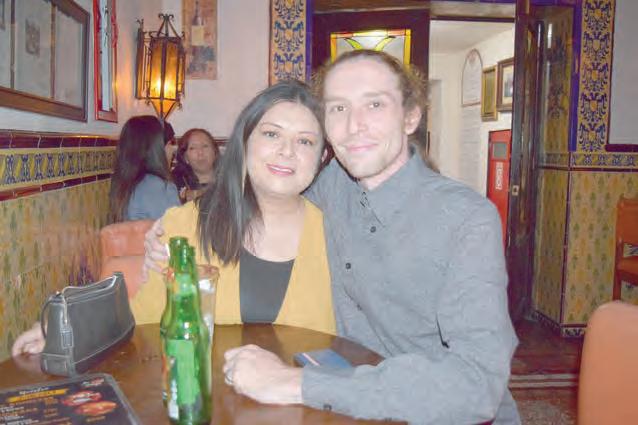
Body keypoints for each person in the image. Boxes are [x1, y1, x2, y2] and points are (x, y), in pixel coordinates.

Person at [145, 51, 519, 423]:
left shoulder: (466, 218)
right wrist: (164, 231)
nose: (355, 125)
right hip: (345, 406)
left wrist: (297, 384)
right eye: (339, 108)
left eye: (374, 104)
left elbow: (477, 386)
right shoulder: (332, 185)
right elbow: (270, 189)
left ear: (411, 116)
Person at [131, 80, 335, 334]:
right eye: (272, 134)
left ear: (322, 157)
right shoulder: (182, 227)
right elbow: (146, 330)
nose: (287, 151)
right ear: (245, 141)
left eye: (305, 141)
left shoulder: (338, 238)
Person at [109, 115, 180, 222]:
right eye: (170, 143)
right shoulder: (159, 186)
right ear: (157, 148)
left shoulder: (121, 183)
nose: (173, 150)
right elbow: (176, 229)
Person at [171, 128, 220, 202]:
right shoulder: (174, 184)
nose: (200, 152)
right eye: (193, 148)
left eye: (205, 146)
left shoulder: (231, 177)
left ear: (215, 152)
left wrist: (198, 193)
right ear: (185, 157)